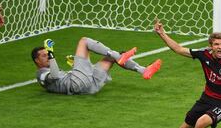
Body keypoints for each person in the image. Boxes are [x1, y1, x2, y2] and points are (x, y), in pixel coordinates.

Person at [31, 37, 162, 95]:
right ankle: (120, 57)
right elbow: (53, 76)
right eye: (44, 55)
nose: (47, 56)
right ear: (36, 61)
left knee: (113, 57)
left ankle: (144, 70)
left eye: (47, 53)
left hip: (89, 88)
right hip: (77, 84)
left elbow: (58, 78)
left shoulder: (48, 71)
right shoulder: (41, 74)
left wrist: (73, 67)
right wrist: (52, 54)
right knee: (84, 41)